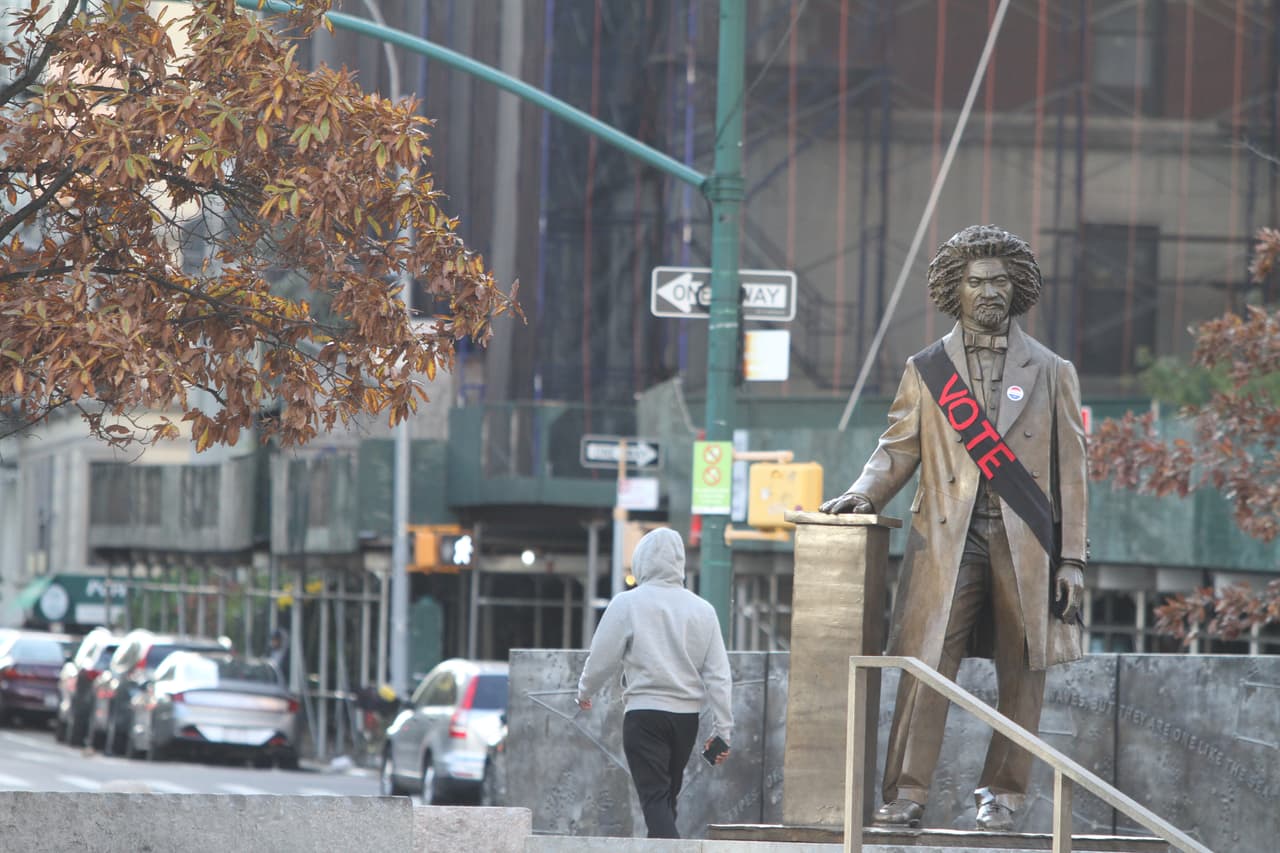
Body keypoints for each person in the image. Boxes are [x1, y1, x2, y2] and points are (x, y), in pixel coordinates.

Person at [820, 224, 1087, 832]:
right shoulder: (927, 369)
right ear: (955, 290)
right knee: (925, 665)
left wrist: (1072, 558)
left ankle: (1005, 795)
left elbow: (1072, 474)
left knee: (1024, 671)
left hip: (1028, 544)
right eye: (975, 281)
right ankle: (906, 793)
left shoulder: (1051, 371)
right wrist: (864, 493)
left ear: (1016, 288)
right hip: (947, 539)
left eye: (999, 281)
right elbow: (896, 449)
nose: (988, 291)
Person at [575, 527, 734, 839]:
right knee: (665, 802)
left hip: (644, 716)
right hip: (686, 721)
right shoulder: (703, 611)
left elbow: (602, 656)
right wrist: (723, 730)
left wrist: (585, 690)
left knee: (655, 802)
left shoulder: (628, 604)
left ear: (641, 561)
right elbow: (719, 675)